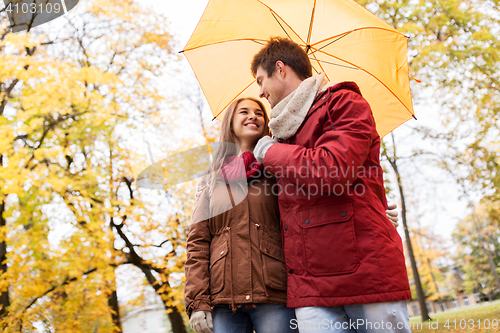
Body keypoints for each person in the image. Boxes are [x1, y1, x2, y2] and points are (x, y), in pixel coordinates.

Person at [251, 37, 412, 332]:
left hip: (365, 270)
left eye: (261, 80)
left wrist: (270, 152)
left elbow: (332, 169)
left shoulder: (345, 103)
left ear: (280, 69)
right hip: (308, 283)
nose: (260, 92)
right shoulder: (279, 136)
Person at [184, 97, 297, 333]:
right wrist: (197, 302)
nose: (253, 116)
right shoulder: (212, 178)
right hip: (223, 298)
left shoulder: (277, 168)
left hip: (273, 292)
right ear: (230, 123)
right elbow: (197, 242)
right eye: (244, 112)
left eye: (259, 113)